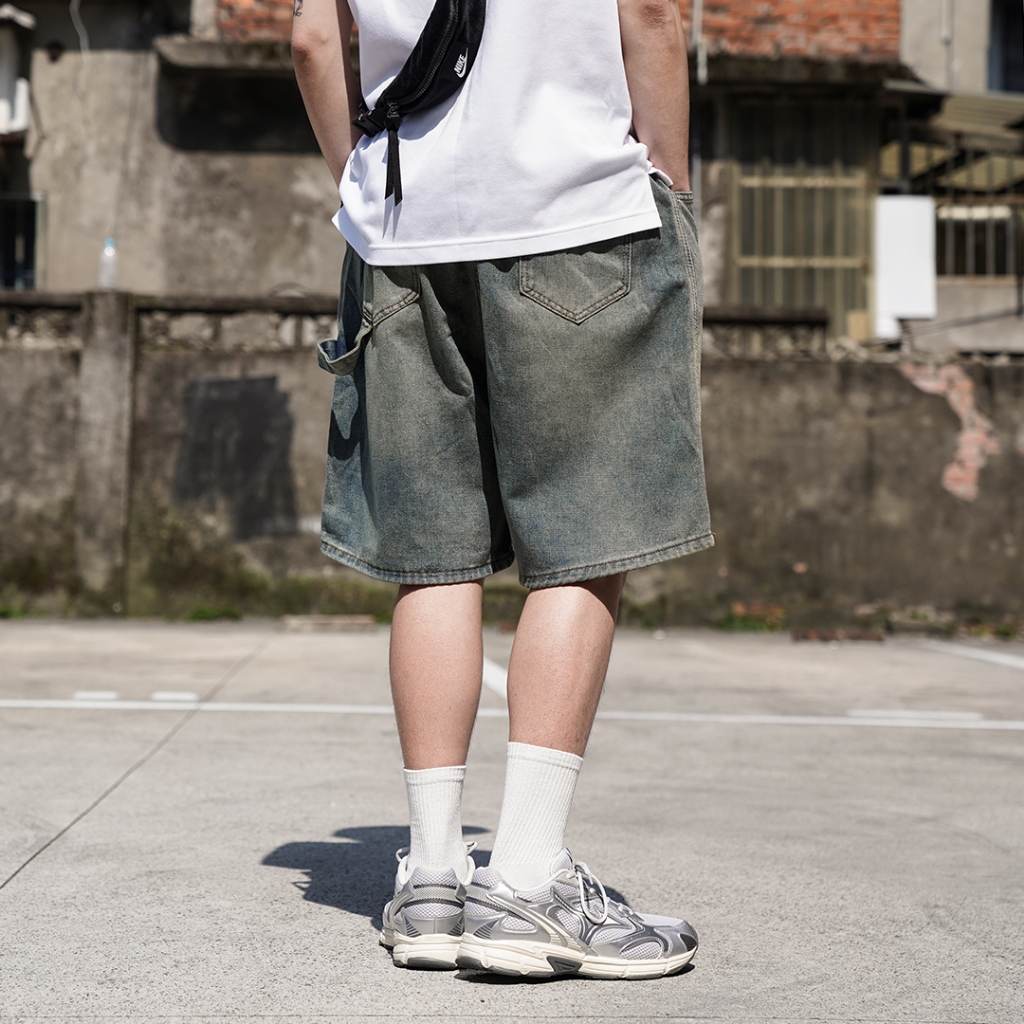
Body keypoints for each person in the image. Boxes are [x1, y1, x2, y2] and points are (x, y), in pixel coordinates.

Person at [291, 0, 712, 979]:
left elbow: (311, 40)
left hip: (404, 227)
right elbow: (651, 14)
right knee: (585, 540)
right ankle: (524, 877)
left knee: (432, 555)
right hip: (579, 208)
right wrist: (672, 183)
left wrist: (361, 185)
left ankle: (434, 880)